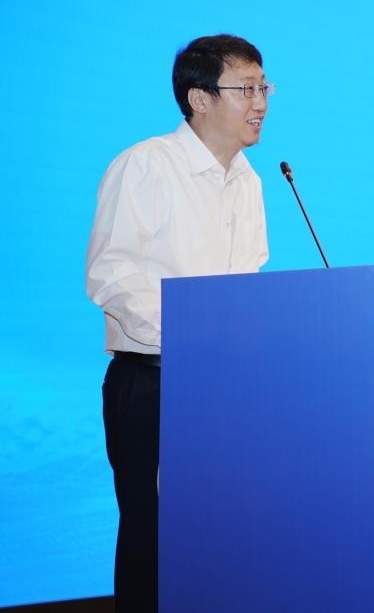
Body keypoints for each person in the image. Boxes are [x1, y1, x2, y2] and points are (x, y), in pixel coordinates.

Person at [86, 34, 272, 610]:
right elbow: (111, 275)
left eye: (264, 87)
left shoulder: (250, 181)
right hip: (154, 382)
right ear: (199, 98)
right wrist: (197, 338)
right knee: (154, 540)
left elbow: (249, 282)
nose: (260, 102)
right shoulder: (146, 166)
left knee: (221, 536)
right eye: (246, 89)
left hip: (226, 386)